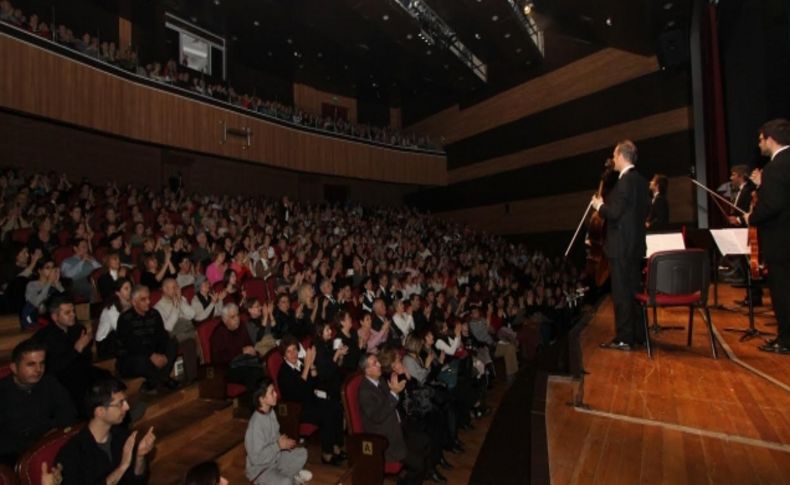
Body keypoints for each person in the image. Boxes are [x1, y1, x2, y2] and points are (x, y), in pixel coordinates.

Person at [591, 140, 651, 350]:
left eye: (615, 156)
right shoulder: (643, 182)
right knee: (634, 292)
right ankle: (639, 335)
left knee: (621, 294)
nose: (613, 160)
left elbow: (614, 213)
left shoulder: (624, 182)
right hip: (635, 247)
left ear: (622, 156)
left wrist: (600, 206)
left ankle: (624, 338)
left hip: (620, 247)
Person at [56, 379, 155, 485]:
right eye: (120, 403)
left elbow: (138, 482)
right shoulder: (72, 453)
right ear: (100, 411)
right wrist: (122, 467)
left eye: (125, 401)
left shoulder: (123, 436)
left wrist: (140, 457)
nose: (127, 407)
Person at [747, 119, 790, 354]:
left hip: (781, 241)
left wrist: (750, 218)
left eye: (761, 140)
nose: (759, 144)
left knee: (783, 292)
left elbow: (772, 206)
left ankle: (786, 340)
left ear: (771, 140)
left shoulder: (775, 167)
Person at [358, 353, 433, 485]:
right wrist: (393, 393)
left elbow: (393, 403)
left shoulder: (379, 380)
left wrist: (395, 390)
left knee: (426, 441)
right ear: (367, 370)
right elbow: (378, 417)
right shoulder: (365, 391)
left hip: (398, 429)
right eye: (375, 363)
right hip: (386, 440)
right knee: (419, 464)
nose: (379, 365)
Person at [0, 339, 76, 465]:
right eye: (31, 364)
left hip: (50, 445)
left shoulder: (49, 382)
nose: (38, 369)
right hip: (15, 458)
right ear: (14, 368)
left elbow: (68, 412)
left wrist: (53, 433)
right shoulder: (3, 392)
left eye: (42, 363)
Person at [33, 296, 112, 414]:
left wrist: (85, 347)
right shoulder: (44, 337)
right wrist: (76, 349)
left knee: (108, 379)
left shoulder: (78, 329)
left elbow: (86, 358)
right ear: (55, 317)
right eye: (67, 313)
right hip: (61, 376)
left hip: (81, 369)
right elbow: (54, 367)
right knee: (81, 388)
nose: (73, 315)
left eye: (73, 311)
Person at [277, 337, 345, 465]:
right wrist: (307, 366)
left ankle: (336, 446)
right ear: (284, 356)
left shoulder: (300, 363)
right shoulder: (284, 373)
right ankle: (327, 454)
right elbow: (299, 393)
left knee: (336, 406)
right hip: (297, 408)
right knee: (326, 414)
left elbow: (314, 383)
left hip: (310, 400)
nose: (293, 354)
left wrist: (312, 365)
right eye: (289, 352)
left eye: (295, 350)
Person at [244, 379, 312, 485]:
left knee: (302, 453)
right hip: (262, 470)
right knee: (286, 482)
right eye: (272, 392)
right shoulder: (255, 426)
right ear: (262, 399)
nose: (276, 394)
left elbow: (275, 435)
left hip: (276, 458)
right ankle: (290, 479)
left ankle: (289, 476)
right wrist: (278, 446)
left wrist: (284, 443)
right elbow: (256, 459)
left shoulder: (270, 411)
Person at [116, 285, 178, 393]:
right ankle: (162, 379)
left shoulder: (154, 314)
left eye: (148, 298)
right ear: (134, 302)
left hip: (154, 353)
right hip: (132, 357)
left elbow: (162, 336)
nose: (148, 302)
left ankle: (157, 380)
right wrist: (151, 355)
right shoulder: (125, 319)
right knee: (141, 360)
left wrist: (162, 354)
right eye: (143, 300)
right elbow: (132, 345)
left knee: (172, 343)